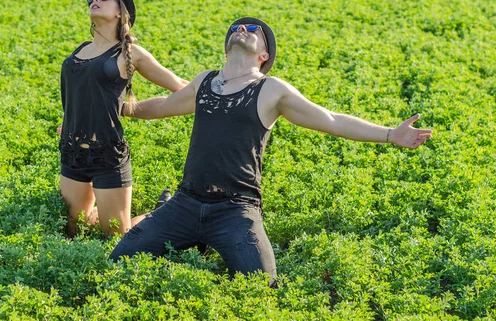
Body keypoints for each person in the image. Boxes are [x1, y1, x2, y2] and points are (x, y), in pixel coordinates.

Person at [110, 17, 433, 286]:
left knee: (261, 286)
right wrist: (118, 110)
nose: (243, 30)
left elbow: (331, 120)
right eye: (237, 28)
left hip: (235, 211)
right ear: (226, 50)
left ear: (263, 55)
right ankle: (179, 224)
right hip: (187, 202)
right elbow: (164, 105)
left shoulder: (271, 89)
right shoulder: (205, 81)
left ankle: (203, 238)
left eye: (253, 31)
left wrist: (391, 134)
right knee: (118, 260)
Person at [58, 0, 187, 237]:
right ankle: (105, 210)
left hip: (107, 155)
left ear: (120, 11)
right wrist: (69, 119)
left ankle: (160, 213)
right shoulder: (80, 49)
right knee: (75, 231)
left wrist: (219, 92)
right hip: (72, 152)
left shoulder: (130, 53)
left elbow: (180, 86)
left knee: (117, 237)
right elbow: (77, 94)